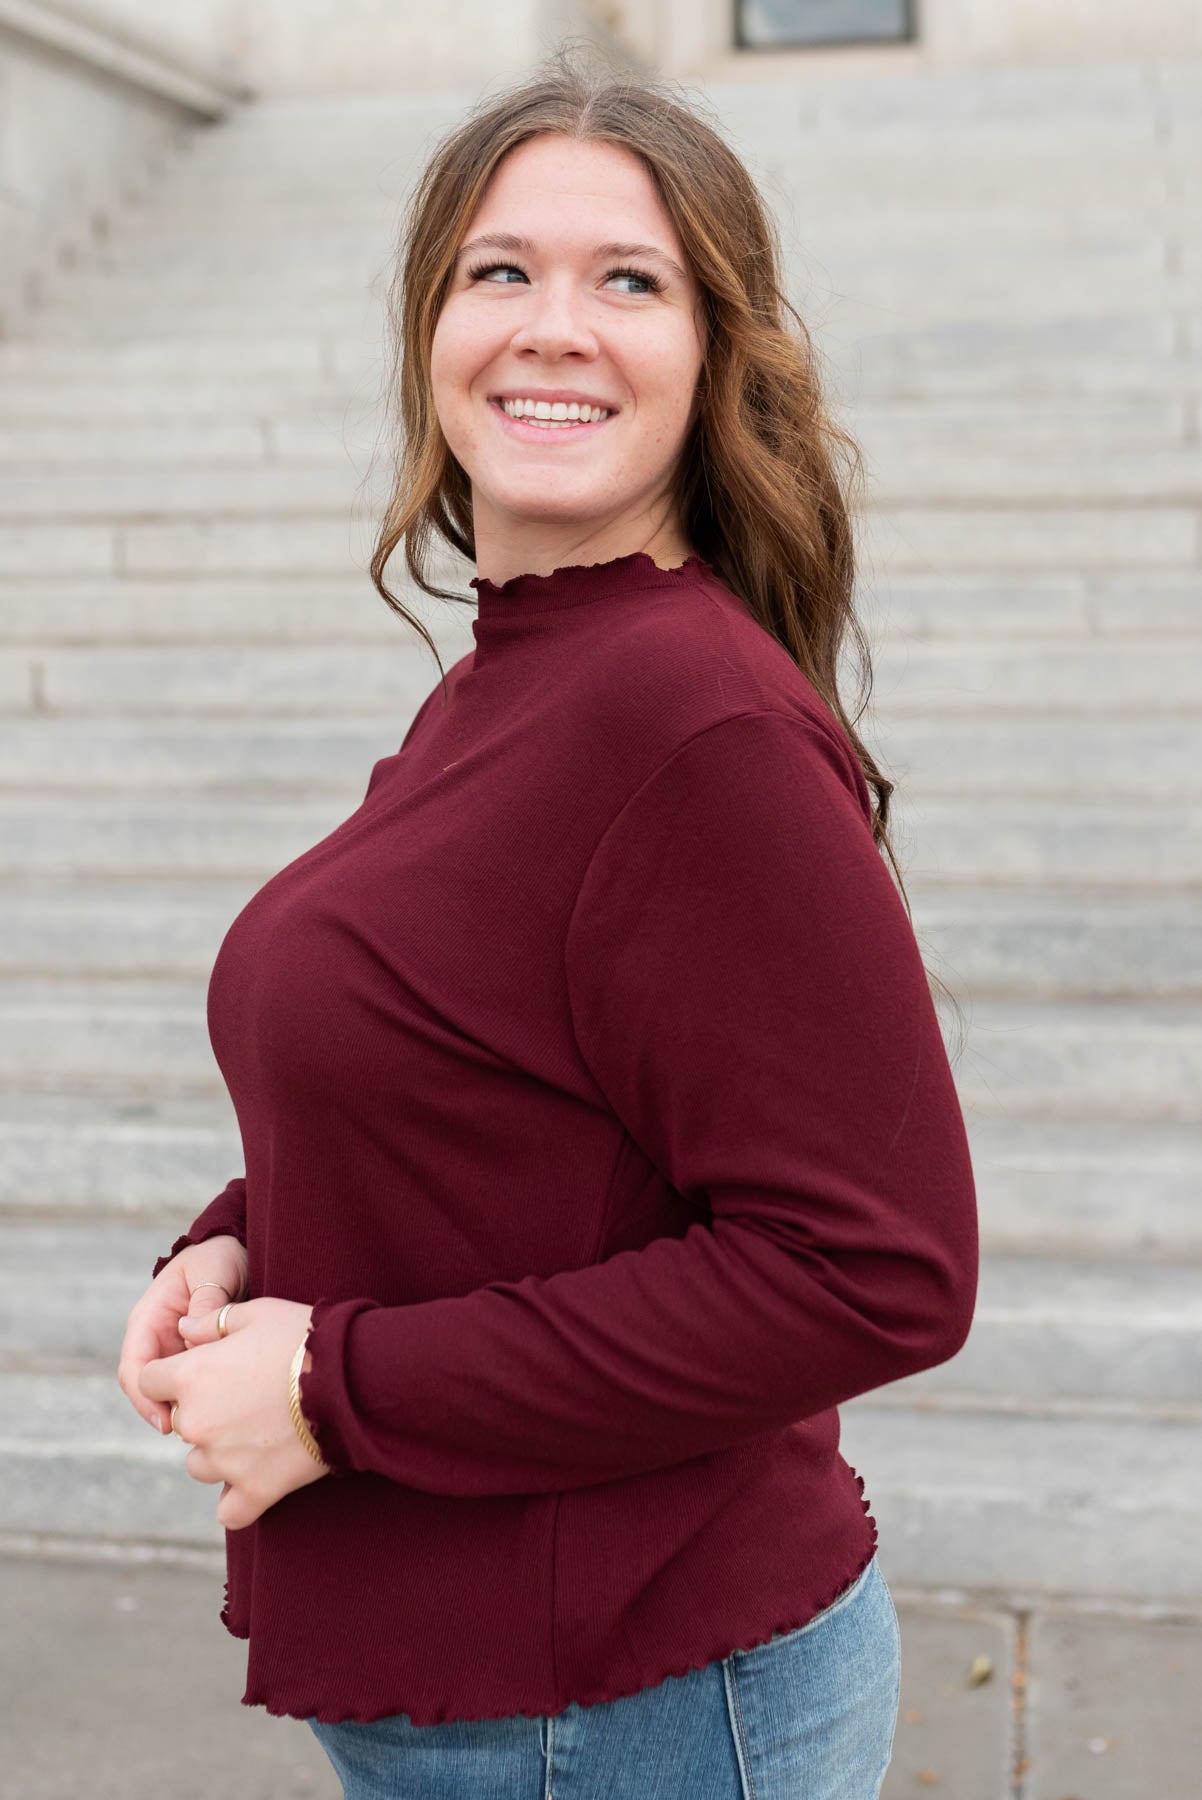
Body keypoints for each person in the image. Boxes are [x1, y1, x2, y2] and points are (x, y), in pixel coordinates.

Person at [116, 42, 978, 1800]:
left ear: (711, 355)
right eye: (499, 269)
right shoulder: (518, 679)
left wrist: (338, 1384)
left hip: (633, 1711)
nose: (552, 325)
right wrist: (237, 1241)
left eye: (629, 281)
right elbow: (483, 1081)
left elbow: (877, 1266)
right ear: (431, 326)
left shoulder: (692, 721)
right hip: (514, 1696)